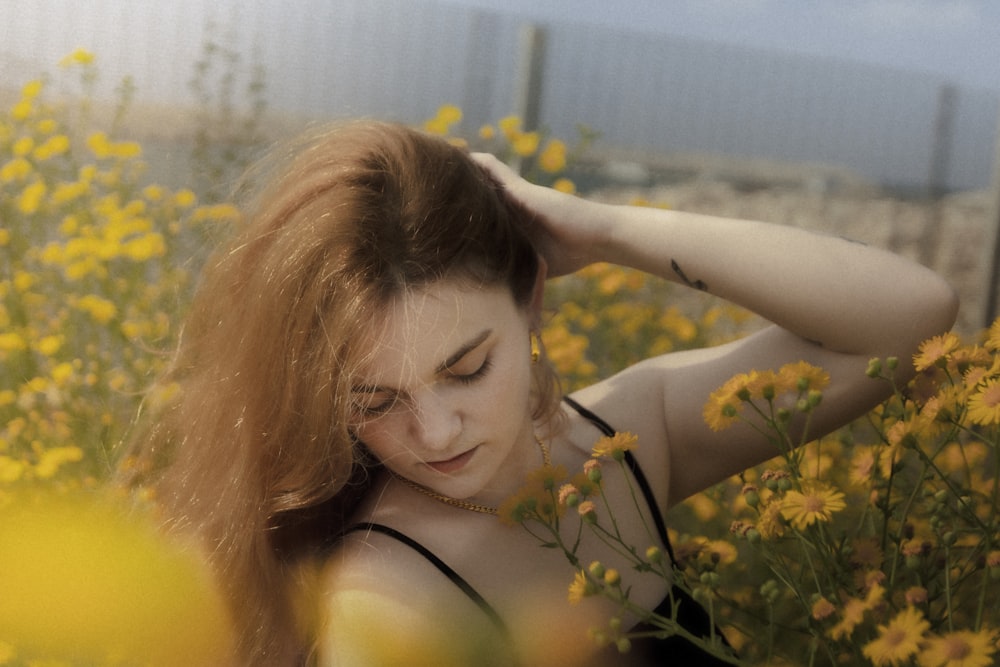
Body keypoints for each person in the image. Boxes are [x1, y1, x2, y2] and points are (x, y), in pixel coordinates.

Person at [123, 120, 958, 666]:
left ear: (531, 298)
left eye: (467, 367)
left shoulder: (630, 440)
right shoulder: (387, 602)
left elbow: (909, 318)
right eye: (373, 401)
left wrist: (608, 229)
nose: (436, 431)